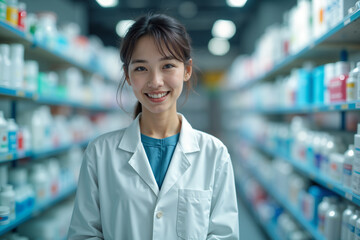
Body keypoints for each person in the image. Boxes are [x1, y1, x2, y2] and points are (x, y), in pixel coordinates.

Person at [68, 13, 239, 240]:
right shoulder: (100, 153)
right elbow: (84, 234)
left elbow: (224, 235)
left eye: (167, 65)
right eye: (141, 68)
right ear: (127, 75)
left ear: (187, 70)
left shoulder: (214, 154)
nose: (155, 81)